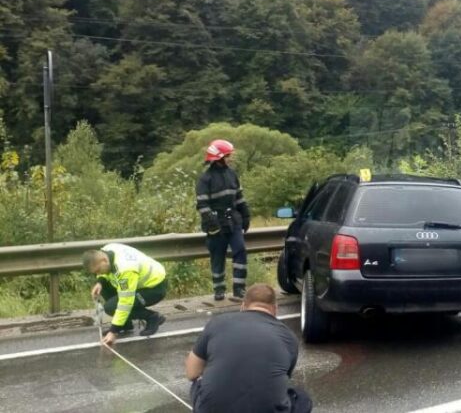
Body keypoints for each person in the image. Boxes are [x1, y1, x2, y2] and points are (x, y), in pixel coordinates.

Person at [185, 284, 313, 413]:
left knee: (198, 382)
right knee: (302, 399)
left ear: (243, 306)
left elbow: (191, 372)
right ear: (275, 309)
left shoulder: (217, 322)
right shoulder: (289, 337)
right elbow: (278, 380)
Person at [196, 139, 251, 301]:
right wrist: (212, 223)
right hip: (215, 223)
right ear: (218, 157)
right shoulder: (205, 179)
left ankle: (239, 288)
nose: (230, 158)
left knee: (240, 250)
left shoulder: (232, 174)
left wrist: (245, 215)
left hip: (233, 220)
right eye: (227, 155)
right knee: (217, 255)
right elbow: (202, 204)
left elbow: (239, 198)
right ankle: (219, 289)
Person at [83, 243, 167, 346]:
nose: (98, 273)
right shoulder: (107, 250)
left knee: (111, 307)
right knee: (104, 286)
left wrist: (113, 330)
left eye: (98, 271)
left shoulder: (125, 269)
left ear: (104, 260)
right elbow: (105, 274)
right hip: (138, 283)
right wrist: (100, 282)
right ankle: (125, 324)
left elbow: (125, 303)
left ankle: (152, 317)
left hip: (154, 288)